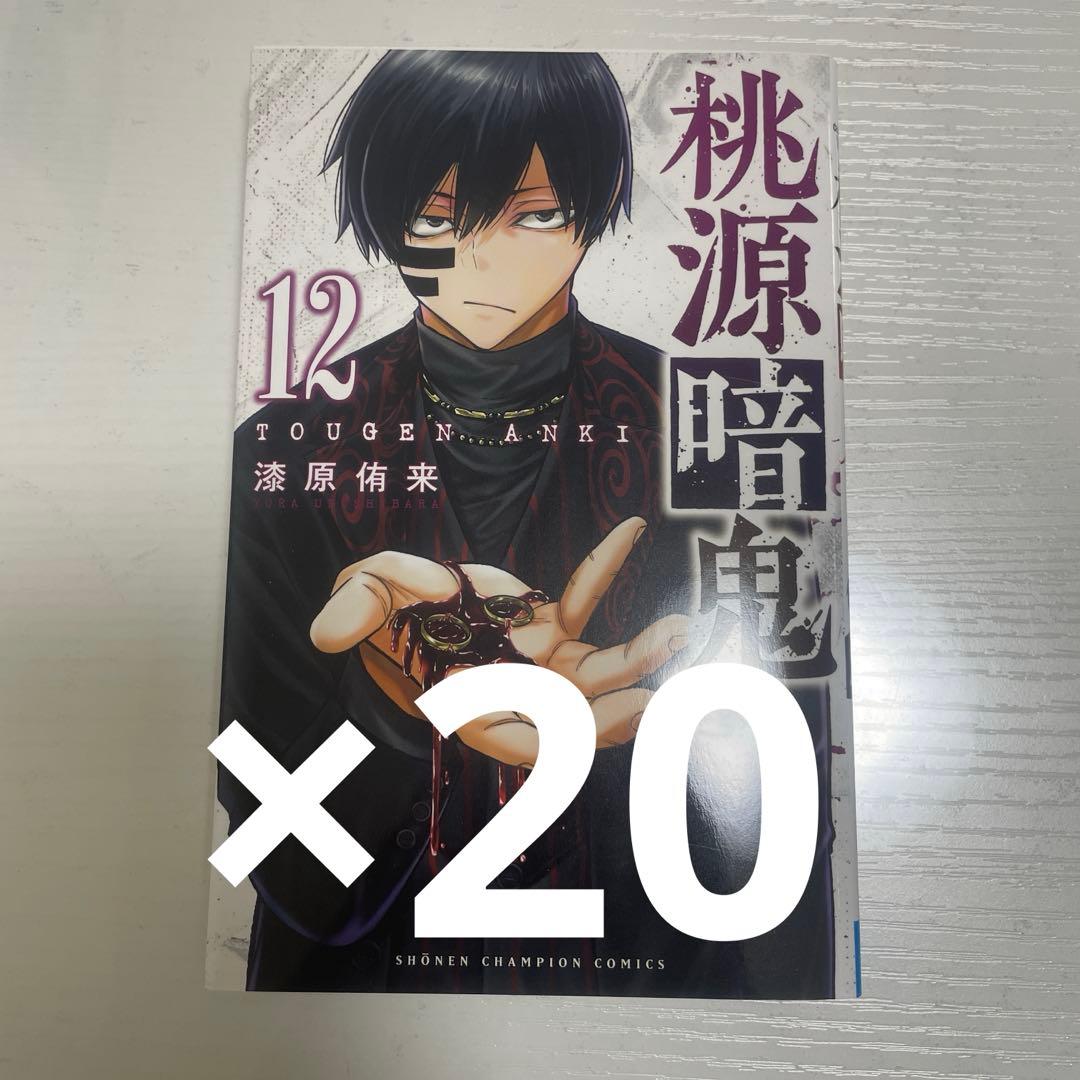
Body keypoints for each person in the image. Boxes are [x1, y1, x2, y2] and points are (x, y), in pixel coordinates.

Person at [218, 49, 835, 995]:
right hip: (366, 1018)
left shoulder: (724, 432)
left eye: (534, 215)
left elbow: (785, 834)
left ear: (598, 200)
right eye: (436, 218)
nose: (484, 261)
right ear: (384, 213)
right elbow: (280, 858)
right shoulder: (286, 451)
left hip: (653, 1002)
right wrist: (396, 706)